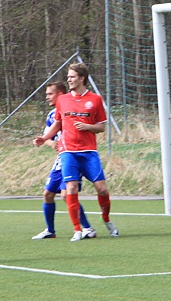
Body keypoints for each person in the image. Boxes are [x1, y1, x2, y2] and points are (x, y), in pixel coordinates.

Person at [34, 63, 119, 241]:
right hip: (68, 152)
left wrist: (88, 127)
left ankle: (106, 218)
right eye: (68, 77)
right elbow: (58, 123)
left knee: (102, 189)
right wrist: (45, 138)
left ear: (81, 78)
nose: (69, 80)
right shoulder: (63, 100)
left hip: (88, 152)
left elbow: (101, 127)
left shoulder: (95, 99)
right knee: (70, 189)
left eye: (72, 77)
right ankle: (78, 230)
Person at [32, 81, 96, 241]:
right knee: (48, 194)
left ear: (60, 94)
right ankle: (50, 230)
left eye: (50, 94)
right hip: (61, 159)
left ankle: (87, 228)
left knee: (66, 195)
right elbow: (48, 136)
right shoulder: (51, 115)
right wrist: (50, 142)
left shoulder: (73, 109)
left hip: (74, 156)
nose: (47, 97)